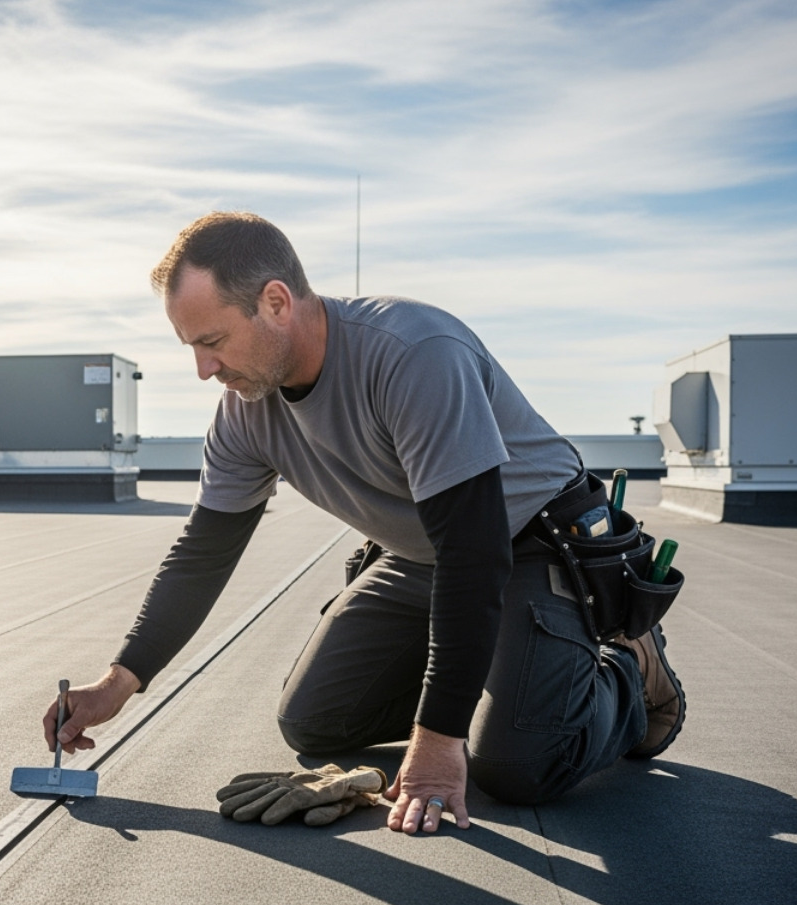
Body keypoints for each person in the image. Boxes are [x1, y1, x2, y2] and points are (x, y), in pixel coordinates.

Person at [42, 211, 686, 835]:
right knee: (315, 723)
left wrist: (437, 741)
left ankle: (626, 668)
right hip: (422, 556)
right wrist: (116, 683)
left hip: (528, 543)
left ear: (275, 302)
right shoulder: (244, 410)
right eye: (192, 347)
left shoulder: (414, 354)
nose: (204, 369)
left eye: (212, 342)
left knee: (518, 765)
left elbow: (475, 552)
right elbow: (203, 553)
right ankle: (507, 680)